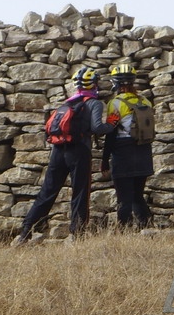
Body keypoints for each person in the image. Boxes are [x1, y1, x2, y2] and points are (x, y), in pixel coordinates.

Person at [12, 67, 118, 246]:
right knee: (80, 192)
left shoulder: (68, 103)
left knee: (47, 191)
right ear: (94, 84)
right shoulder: (94, 103)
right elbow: (97, 128)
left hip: (58, 150)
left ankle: (25, 232)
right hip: (79, 151)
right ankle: (77, 234)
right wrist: (112, 124)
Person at [101, 64, 154, 229]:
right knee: (138, 195)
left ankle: (123, 230)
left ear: (116, 83)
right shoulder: (145, 101)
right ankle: (146, 227)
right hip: (144, 150)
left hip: (123, 152)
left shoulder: (115, 103)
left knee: (124, 197)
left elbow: (111, 132)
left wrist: (104, 160)